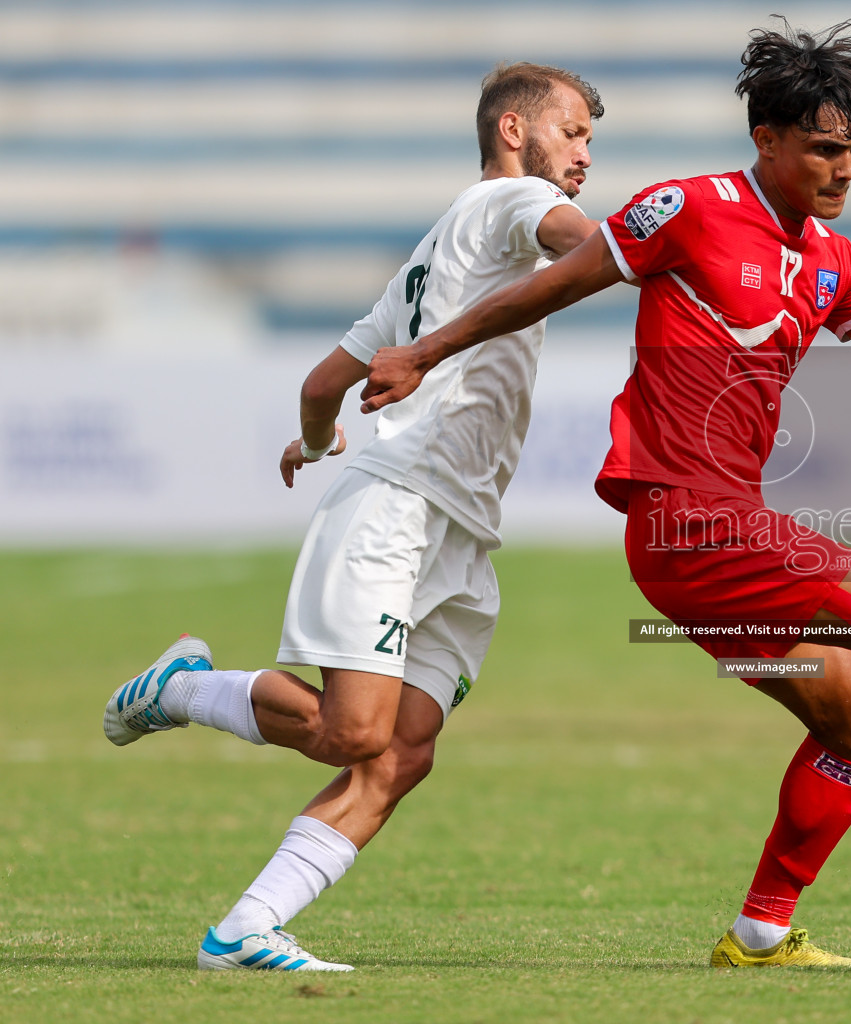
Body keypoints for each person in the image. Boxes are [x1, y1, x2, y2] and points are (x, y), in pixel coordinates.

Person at [362, 20, 851, 972]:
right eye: (825, 147)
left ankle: (760, 934)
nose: (843, 167)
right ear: (767, 140)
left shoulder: (835, 259)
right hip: (686, 517)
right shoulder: (686, 211)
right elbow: (547, 290)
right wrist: (423, 348)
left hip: (723, 527)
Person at [101, 62, 605, 972]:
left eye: (590, 144)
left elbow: (321, 382)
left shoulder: (427, 265)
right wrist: (636, 244)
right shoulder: (506, 204)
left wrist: (313, 437)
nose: (585, 156)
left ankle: (243, 931)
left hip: (461, 536)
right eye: (574, 135)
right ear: (515, 134)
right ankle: (182, 687)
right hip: (400, 504)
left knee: (404, 751)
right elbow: (585, 243)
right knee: (355, 732)